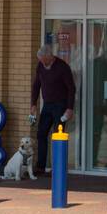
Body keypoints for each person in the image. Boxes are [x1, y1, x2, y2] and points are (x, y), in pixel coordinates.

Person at [30, 45, 75, 174]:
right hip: (47, 104)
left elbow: (71, 88)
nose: (43, 63)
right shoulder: (40, 66)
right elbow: (36, 85)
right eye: (41, 61)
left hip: (60, 104)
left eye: (45, 60)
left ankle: (58, 167)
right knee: (41, 133)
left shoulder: (62, 67)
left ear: (50, 56)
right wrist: (33, 104)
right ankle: (41, 166)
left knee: (57, 135)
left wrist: (69, 108)